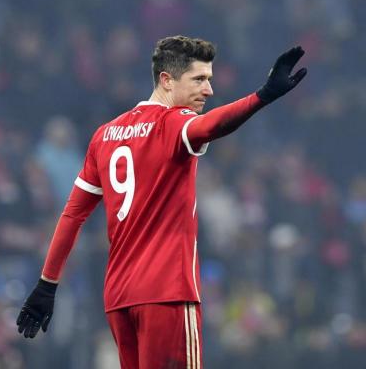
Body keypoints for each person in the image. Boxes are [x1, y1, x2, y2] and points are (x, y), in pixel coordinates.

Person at [16, 36, 307, 368]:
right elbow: (211, 126)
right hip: (167, 293)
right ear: (167, 80)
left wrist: (47, 284)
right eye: (199, 79)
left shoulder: (104, 135)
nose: (209, 90)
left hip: (119, 300)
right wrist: (262, 96)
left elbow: (72, 215)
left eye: (209, 79)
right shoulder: (173, 124)